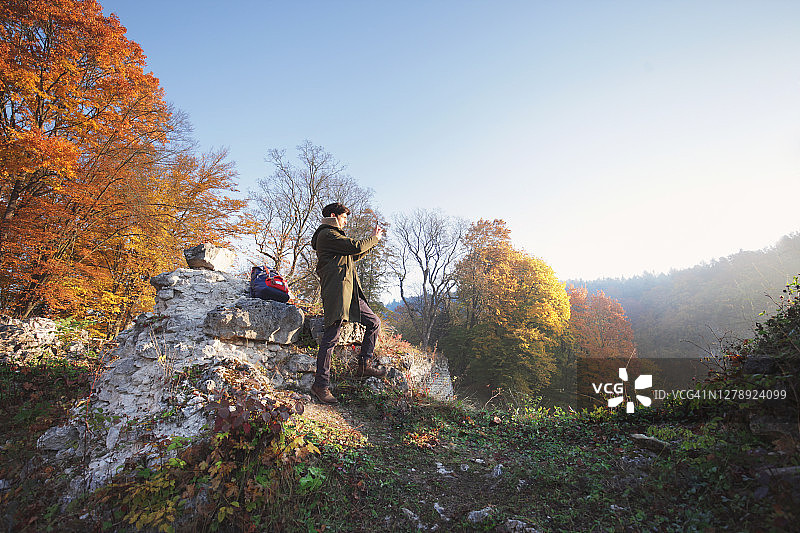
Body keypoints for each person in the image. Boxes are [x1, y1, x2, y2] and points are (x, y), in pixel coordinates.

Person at [310, 202, 386, 404]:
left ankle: (364, 365)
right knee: (331, 337)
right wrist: (374, 239)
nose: (345, 221)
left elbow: (354, 254)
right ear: (334, 215)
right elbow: (355, 247)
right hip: (337, 292)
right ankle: (321, 385)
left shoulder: (335, 236)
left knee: (373, 322)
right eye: (344, 217)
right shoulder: (327, 234)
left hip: (349, 292)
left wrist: (373, 242)